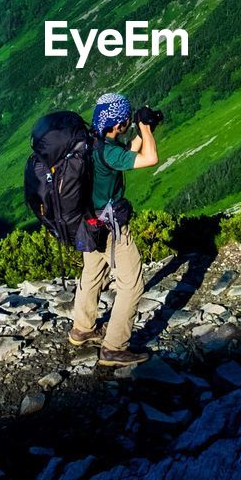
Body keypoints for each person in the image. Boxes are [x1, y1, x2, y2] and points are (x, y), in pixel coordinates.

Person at [68, 92, 158, 366]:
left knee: (93, 273)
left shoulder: (91, 144)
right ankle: (114, 348)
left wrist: (145, 131)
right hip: (111, 229)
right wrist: (145, 129)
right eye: (127, 120)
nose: (129, 123)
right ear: (118, 123)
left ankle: (81, 329)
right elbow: (149, 159)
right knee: (131, 285)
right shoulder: (108, 151)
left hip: (88, 224)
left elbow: (126, 154)